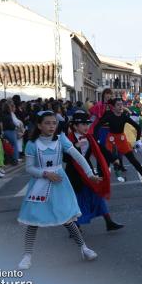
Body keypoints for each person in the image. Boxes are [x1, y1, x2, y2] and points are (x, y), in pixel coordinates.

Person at [16, 110, 102, 270]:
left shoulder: (61, 139)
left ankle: (84, 248)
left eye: (54, 123)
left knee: (67, 218)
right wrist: (45, 174)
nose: (51, 126)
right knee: (33, 221)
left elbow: (78, 156)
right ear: (39, 125)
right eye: (47, 123)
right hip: (40, 184)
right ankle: (27, 256)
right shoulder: (32, 144)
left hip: (59, 183)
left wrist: (90, 174)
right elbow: (29, 168)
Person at [65, 111, 123, 232]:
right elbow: (65, 158)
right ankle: (76, 226)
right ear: (75, 126)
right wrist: (74, 146)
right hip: (74, 174)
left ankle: (109, 222)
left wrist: (114, 159)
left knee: (98, 195)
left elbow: (101, 149)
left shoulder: (90, 138)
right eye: (83, 124)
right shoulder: (67, 140)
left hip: (88, 173)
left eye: (88, 124)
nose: (87, 127)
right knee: (77, 200)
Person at [99, 99, 142, 185]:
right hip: (111, 140)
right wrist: (96, 138)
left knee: (132, 159)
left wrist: (138, 141)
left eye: (121, 104)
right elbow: (97, 125)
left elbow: (138, 127)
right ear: (113, 107)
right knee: (106, 161)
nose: (121, 106)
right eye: (118, 105)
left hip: (121, 139)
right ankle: (102, 182)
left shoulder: (124, 116)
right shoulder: (109, 116)